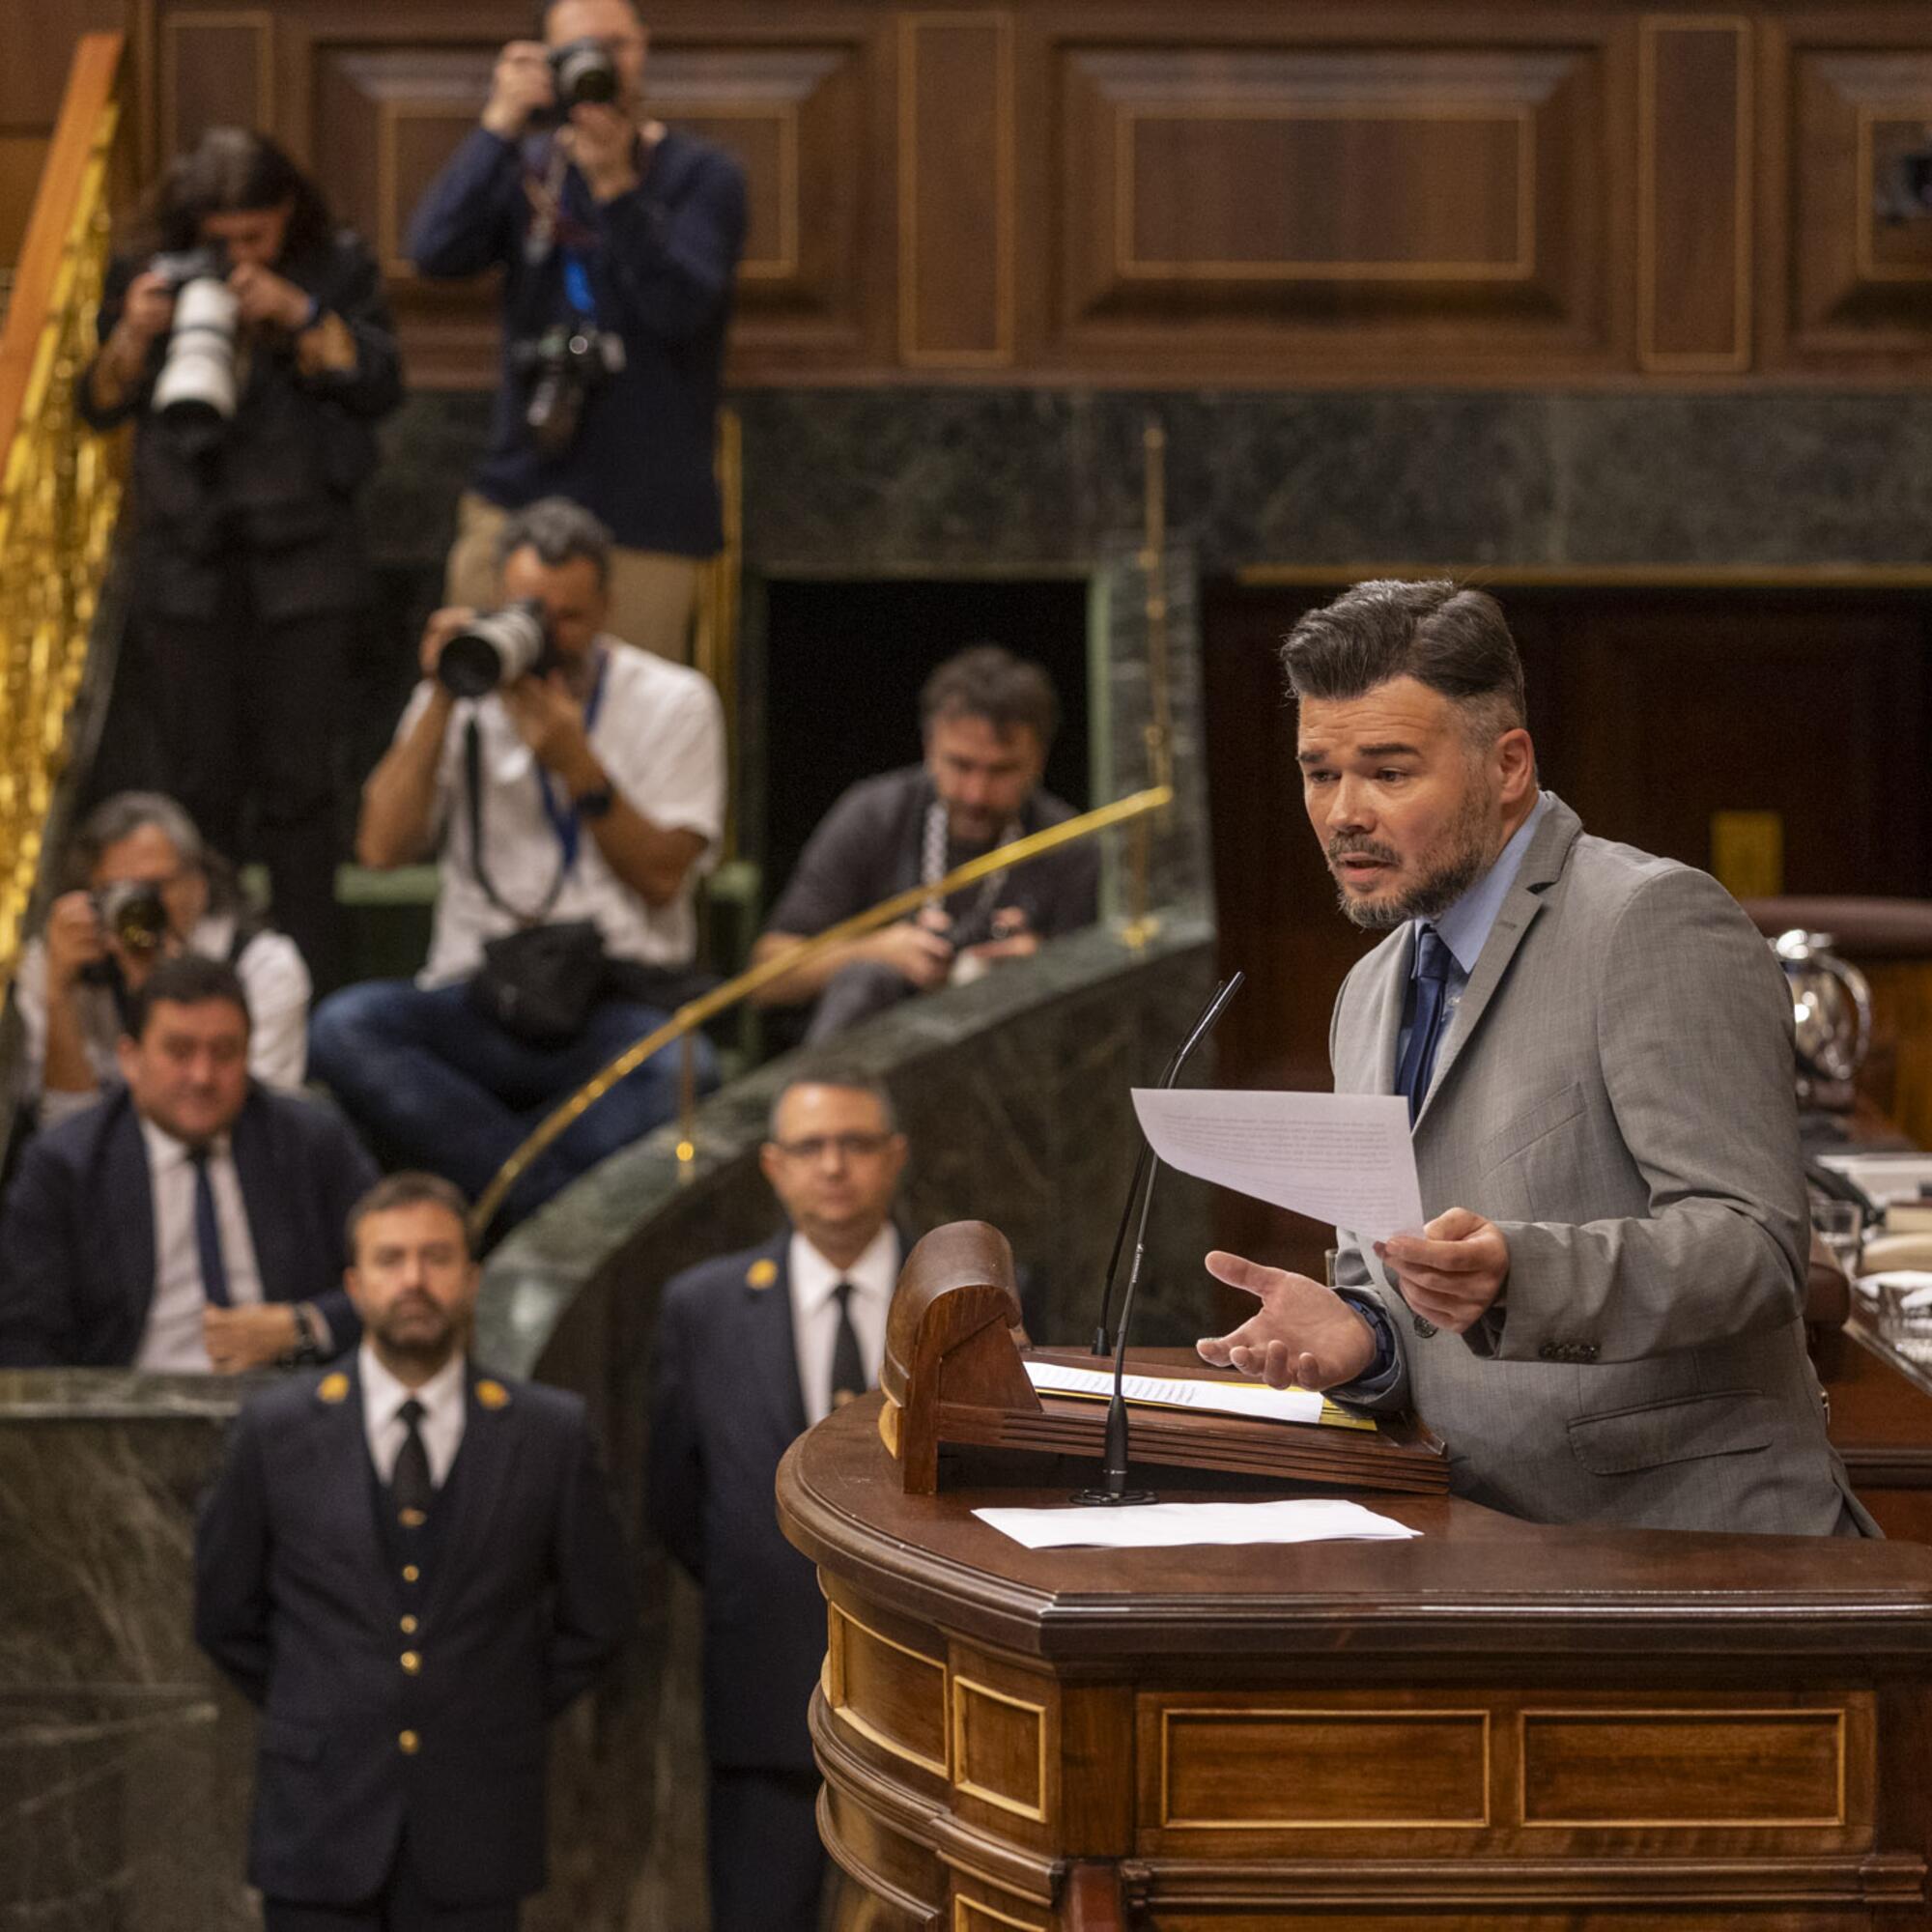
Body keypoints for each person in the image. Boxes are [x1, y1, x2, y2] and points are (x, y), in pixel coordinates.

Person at [1194, 579, 1872, 1537]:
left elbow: (1753, 1248)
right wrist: (1363, 1333)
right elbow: (1392, 1275)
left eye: (1387, 772)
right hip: (1480, 1548)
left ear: (1507, 764)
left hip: (1694, 1553)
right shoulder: (1366, 989)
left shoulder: (1651, 921)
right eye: (1317, 771)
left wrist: (1522, 1273)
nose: (1342, 811)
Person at [194, 1172, 633, 1930]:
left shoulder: (548, 1433)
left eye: (436, 1258)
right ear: (355, 1285)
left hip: (478, 1822)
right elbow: (225, 1612)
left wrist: (493, 1701)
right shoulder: (277, 1431)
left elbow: (598, 1617)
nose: (414, 1280)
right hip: (317, 1824)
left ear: (471, 1278)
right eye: (391, 1260)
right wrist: (325, 1700)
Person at [308, 497, 724, 1227]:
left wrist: (576, 762)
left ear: (606, 609)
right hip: (479, 996)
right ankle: (546, 1218)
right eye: (529, 610)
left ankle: (494, 1212)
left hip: (615, 1001)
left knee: (683, 1076)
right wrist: (441, 695)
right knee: (345, 1028)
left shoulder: (675, 700)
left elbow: (662, 876)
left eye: (567, 616)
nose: (547, 634)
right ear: (498, 600)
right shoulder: (463, 692)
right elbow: (380, 849)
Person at [76, 128, 404, 993]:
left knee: (301, 793)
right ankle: (189, 995)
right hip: (187, 564)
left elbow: (381, 384)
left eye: (254, 237)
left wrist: (295, 313)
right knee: (196, 788)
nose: (235, 256)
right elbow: (99, 404)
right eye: (221, 240)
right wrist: (138, 333)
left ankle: (316, 1000)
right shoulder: (149, 268)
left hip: (305, 568)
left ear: (286, 214)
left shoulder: (334, 267)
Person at [648, 1066, 909, 1932]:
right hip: (764, 1704)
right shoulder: (702, 1308)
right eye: (810, 1147)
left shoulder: (966, 1299)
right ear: (773, 1165)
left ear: (895, 1157)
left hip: (930, 1702)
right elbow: (679, 1505)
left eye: (856, 1144)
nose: (833, 1165)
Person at [406, 0, 746, 663]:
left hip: (645, 513)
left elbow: (681, 309)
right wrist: (497, 127)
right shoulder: (530, 169)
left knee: (634, 733)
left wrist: (616, 185)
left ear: (643, 49)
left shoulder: (702, 176)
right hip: (517, 499)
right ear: (546, 62)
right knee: (484, 708)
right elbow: (433, 252)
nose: (600, 66)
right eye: (578, 52)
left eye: (614, 47)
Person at [0, 954, 375, 1371]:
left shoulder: (311, 1143)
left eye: (224, 1053)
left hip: (292, 1407)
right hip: (123, 1413)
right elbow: (25, 1336)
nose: (202, 1076)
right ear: (130, 1058)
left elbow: (390, 1281)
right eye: (179, 1052)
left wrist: (303, 1327)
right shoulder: (64, 1165)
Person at [753, 644, 1100, 1042]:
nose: (976, 794)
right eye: (961, 765)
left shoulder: (1068, 843)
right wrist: (874, 950)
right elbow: (766, 978)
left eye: (1001, 771)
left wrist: (1046, 971)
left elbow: (1098, 1013)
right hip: (872, 1061)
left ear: (1039, 760)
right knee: (864, 979)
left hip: (1008, 1061)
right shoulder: (874, 814)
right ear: (929, 747)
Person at [13, 791, 310, 1131]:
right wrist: (58, 994)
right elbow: (63, 1133)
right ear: (90, 895)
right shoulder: (60, 963)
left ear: (198, 884)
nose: (138, 907)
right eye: (118, 892)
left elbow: (249, 1129)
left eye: (154, 887)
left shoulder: (264, 967)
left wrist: (160, 983)